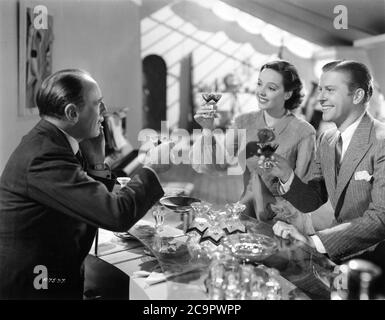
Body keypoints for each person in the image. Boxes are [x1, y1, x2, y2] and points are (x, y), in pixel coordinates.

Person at [0, 69, 173, 299]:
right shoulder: (45, 156)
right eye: (98, 103)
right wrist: (152, 168)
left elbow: (90, 203)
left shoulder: (56, 141)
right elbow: (115, 214)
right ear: (72, 113)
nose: (104, 111)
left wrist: (97, 162)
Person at [269, 60, 385, 263]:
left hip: (376, 260)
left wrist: (314, 241)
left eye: (330, 90)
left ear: (357, 95)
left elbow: (380, 219)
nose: (320, 97)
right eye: (321, 89)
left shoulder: (381, 140)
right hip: (339, 252)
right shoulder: (327, 140)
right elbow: (313, 199)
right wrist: (287, 175)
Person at [191, 60, 316, 220]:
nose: (261, 92)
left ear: (287, 94)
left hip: (287, 219)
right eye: (259, 84)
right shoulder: (243, 122)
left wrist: (285, 217)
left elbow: (304, 189)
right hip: (248, 212)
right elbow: (219, 166)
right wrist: (208, 129)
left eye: (271, 88)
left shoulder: (304, 132)